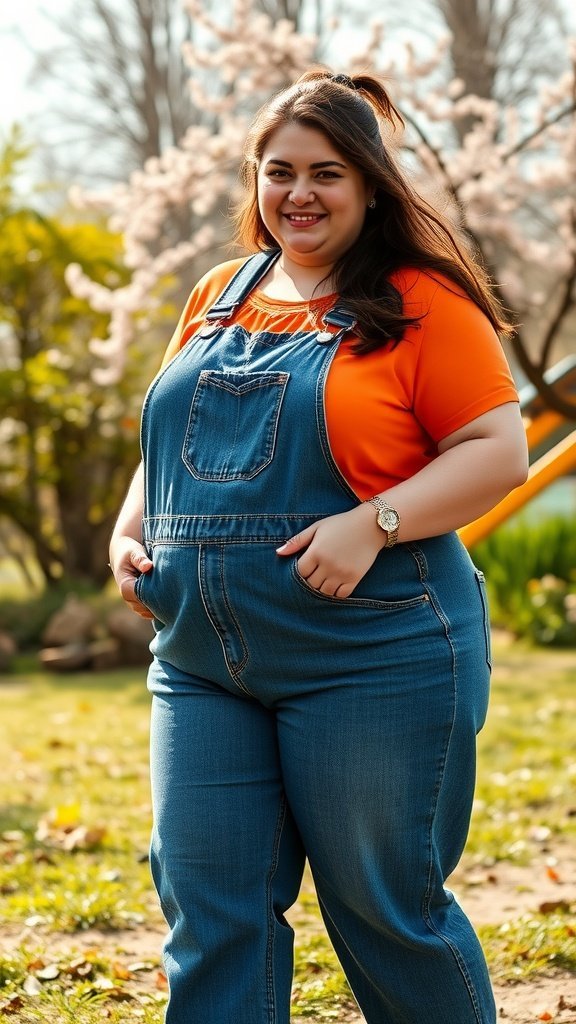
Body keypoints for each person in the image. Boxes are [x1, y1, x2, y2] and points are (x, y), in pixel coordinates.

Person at [109, 68, 529, 1024]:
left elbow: (499, 452)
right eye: (278, 171)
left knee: (386, 914)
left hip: (374, 652)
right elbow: (167, 441)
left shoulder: (422, 302)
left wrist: (371, 522)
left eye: (327, 173)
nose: (299, 193)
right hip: (202, 660)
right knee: (209, 912)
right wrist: (131, 528)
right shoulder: (220, 293)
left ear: (371, 184)